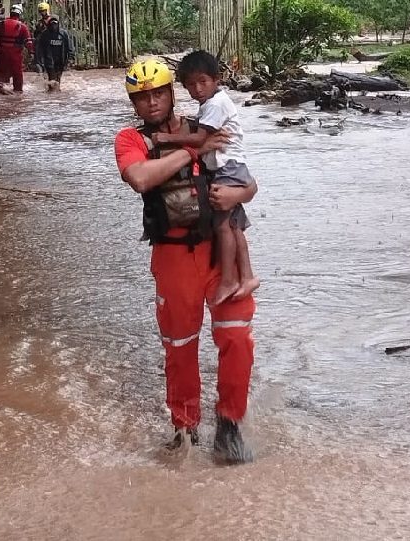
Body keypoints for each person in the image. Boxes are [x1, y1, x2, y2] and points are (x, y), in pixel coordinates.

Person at [113, 60, 258, 463]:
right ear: (134, 104)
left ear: (172, 93)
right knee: (180, 346)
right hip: (173, 256)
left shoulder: (204, 125)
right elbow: (141, 178)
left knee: (237, 337)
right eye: (142, 98)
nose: (151, 102)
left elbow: (248, 179)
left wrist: (240, 195)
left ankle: (230, 425)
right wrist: (193, 150)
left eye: (158, 93)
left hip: (219, 251)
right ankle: (185, 429)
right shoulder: (131, 139)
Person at [150, 50, 260, 306]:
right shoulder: (213, 103)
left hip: (227, 168)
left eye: (203, 82)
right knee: (234, 225)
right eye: (190, 84)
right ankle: (247, 276)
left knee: (223, 226)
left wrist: (166, 138)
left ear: (217, 79)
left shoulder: (215, 104)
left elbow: (200, 139)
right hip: (234, 167)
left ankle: (229, 280)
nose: (197, 89)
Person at [0, 4, 33, 94]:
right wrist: (31, 52)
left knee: (0, 72)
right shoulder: (22, 27)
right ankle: (18, 92)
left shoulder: (2, 24)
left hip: (2, 53)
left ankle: (0, 88)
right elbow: (28, 42)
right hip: (16, 55)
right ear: (19, 14)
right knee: (17, 74)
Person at [35, 17, 73, 90]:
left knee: (58, 79)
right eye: (52, 24)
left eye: (55, 24)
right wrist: (39, 60)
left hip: (60, 60)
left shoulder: (63, 34)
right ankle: (52, 92)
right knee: (52, 79)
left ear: (58, 24)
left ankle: (56, 93)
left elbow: (69, 47)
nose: (53, 26)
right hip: (49, 60)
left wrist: (70, 58)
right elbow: (40, 48)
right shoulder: (45, 34)